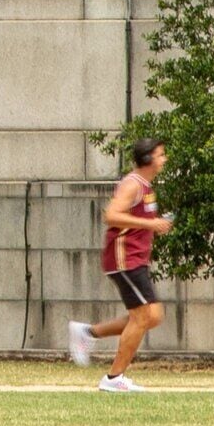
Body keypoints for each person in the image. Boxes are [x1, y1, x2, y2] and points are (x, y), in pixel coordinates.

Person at [66, 140, 176, 391]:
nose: (164, 159)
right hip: (124, 259)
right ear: (148, 159)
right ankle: (114, 378)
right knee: (142, 316)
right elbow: (111, 215)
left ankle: (88, 332)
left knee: (153, 316)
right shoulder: (132, 184)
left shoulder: (146, 186)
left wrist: (155, 224)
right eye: (160, 155)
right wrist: (151, 224)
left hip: (135, 258)